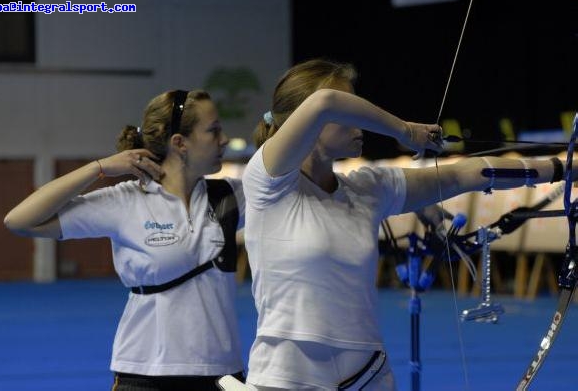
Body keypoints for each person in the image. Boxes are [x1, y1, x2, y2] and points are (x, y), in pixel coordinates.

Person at [239, 58, 571, 391]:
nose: (360, 127)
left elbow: (464, 174)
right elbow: (325, 101)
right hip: (287, 378)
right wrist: (405, 130)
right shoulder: (268, 182)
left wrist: (559, 168)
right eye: (350, 116)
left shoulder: (366, 188)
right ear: (307, 122)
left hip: (368, 375)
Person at [4, 89, 246, 390]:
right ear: (180, 143)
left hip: (222, 374)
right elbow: (19, 220)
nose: (224, 140)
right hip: (145, 372)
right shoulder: (125, 201)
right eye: (214, 131)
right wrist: (99, 168)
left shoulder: (232, 196)